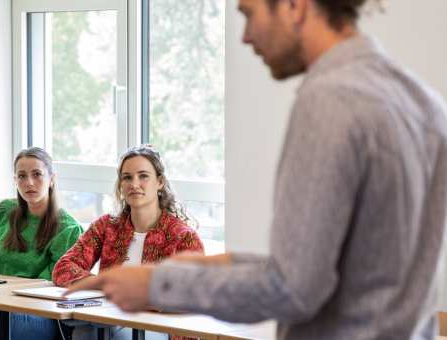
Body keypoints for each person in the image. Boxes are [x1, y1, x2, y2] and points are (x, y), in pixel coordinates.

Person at [66, 0, 447, 339]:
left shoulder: (330, 100)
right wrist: (224, 264)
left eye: (249, 14)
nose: (246, 37)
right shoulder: (424, 101)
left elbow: (292, 289)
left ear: (295, 7)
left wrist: (156, 284)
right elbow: (342, 273)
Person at [0, 147, 83, 340]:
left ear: (52, 178)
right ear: (15, 180)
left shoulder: (67, 229)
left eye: (37, 174)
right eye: (21, 176)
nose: (29, 183)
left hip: (42, 316)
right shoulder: (4, 212)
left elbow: (49, 286)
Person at [52, 145, 204, 286]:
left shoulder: (184, 237)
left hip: (152, 315)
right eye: (127, 177)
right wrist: (106, 284)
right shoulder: (105, 226)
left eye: (143, 176)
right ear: (121, 185)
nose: (134, 184)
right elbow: (63, 269)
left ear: (160, 182)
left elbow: (193, 291)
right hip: (101, 314)